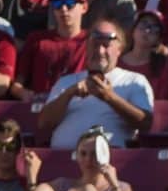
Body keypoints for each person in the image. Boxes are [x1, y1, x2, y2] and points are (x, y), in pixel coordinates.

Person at [39, 20, 155, 150]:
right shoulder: (66, 82)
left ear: (119, 49)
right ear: (87, 47)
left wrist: (110, 98)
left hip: (108, 161)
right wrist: (68, 94)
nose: (100, 51)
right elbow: (44, 124)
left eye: (106, 45)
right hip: (61, 159)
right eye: (94, 45)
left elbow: (145, 123)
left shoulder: (134, 80)